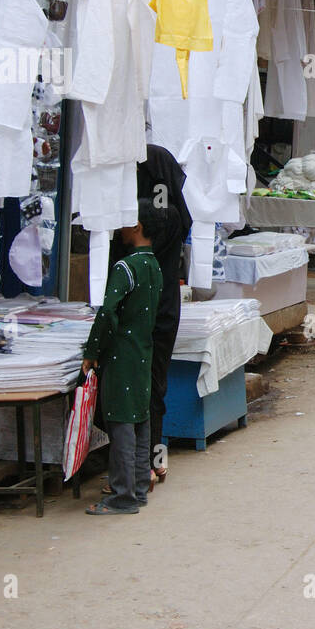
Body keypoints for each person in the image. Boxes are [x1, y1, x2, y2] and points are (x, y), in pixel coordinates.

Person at [111, 144, 192, 487]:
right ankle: (156, 461)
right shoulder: (172, 217)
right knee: (154, 385)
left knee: (143, 387)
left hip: (149, 314)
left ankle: (145, 464)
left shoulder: (157, 222)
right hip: (163, 310)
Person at [81, 200, 163, 516]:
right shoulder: (154, 266)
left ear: (137, 226)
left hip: (122, 355)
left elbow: (107, 313)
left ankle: (123, 496)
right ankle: (139, 487)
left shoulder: (125, 268)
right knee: (139, 418)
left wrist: (92, 352)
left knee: (120, 424)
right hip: (143, 352)